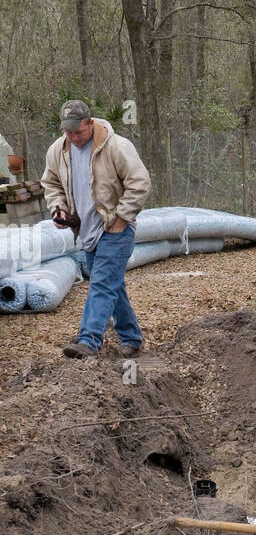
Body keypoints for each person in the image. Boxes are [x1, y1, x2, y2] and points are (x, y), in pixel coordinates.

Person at [41, 100, 151, 359]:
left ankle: (89, 341)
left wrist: (122, 218)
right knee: (112, 285)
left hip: (115, 229)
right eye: (68, 132)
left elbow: (140, 183)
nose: (73, 137)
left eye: (78, 132)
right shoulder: (58, 150)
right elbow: (51, 183)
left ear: (90, 124)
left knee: (102, 284)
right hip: (87, 231)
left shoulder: (116, 146)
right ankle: (131, 338)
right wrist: (58, 209)